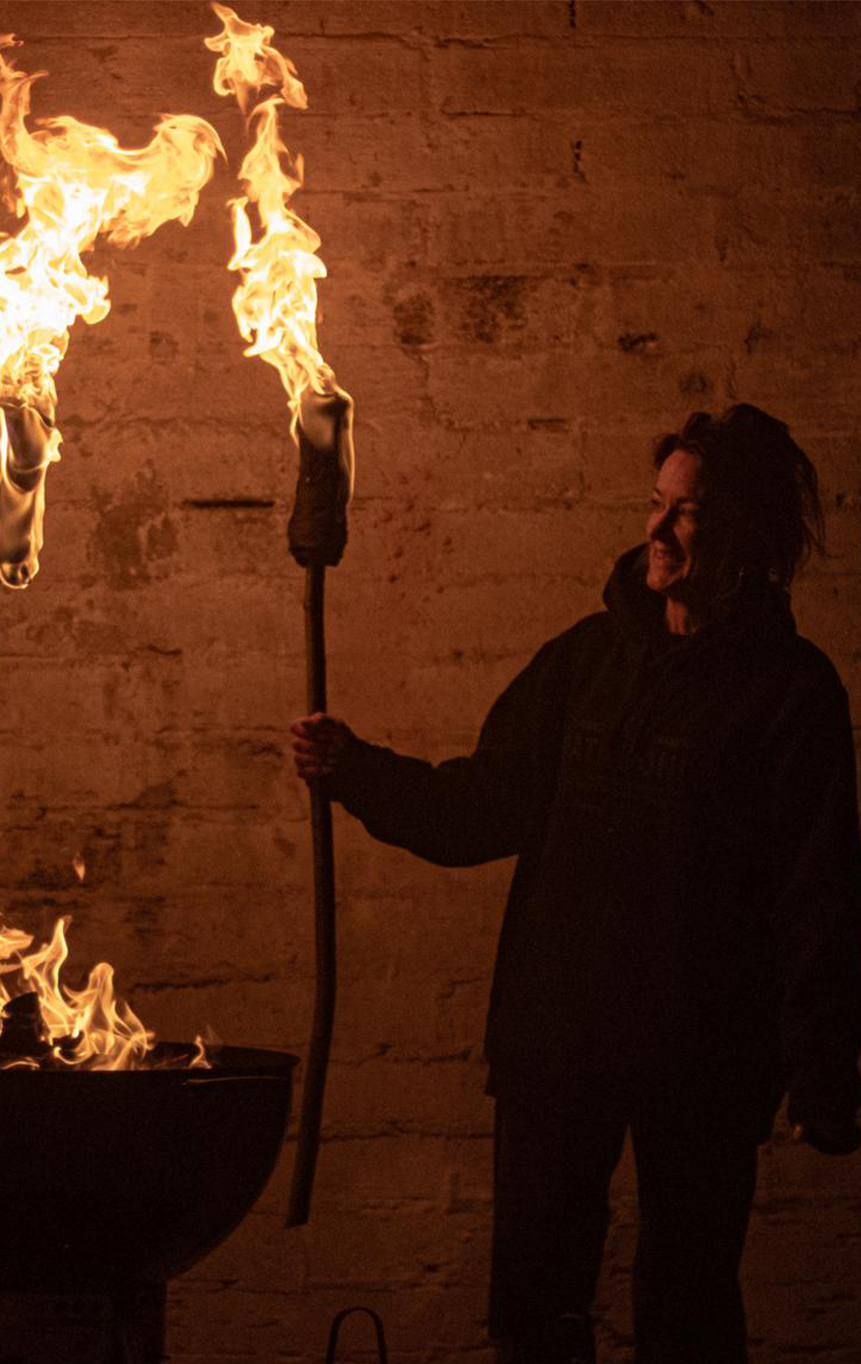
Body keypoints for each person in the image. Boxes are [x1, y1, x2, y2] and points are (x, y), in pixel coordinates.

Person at [292, 404, 861, 1364]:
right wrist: (354, 768)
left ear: (749, 539)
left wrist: (824, 1071)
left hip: (704, 1061)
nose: (658, 529)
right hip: (560, 1040)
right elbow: (482, 807)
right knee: (535, 1311)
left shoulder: (791, 694)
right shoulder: (586, 662)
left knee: (687, 1316)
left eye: (689, 512)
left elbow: (818, 895)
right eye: (656, 504)